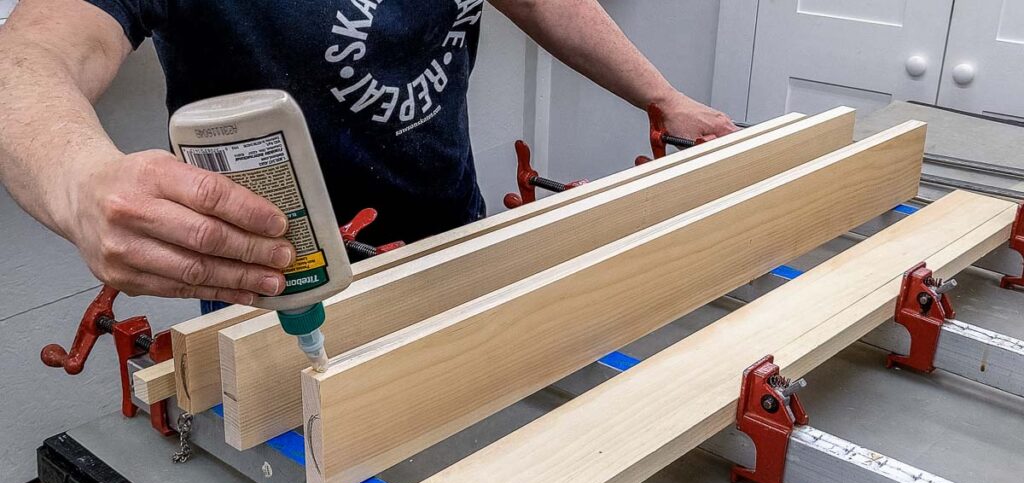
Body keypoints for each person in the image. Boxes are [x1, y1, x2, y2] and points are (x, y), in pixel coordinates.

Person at [0, 0, 736, 308]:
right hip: (281, 287)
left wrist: (662, 97)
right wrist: (80, 181)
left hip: (455, 239)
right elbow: (26, 54)